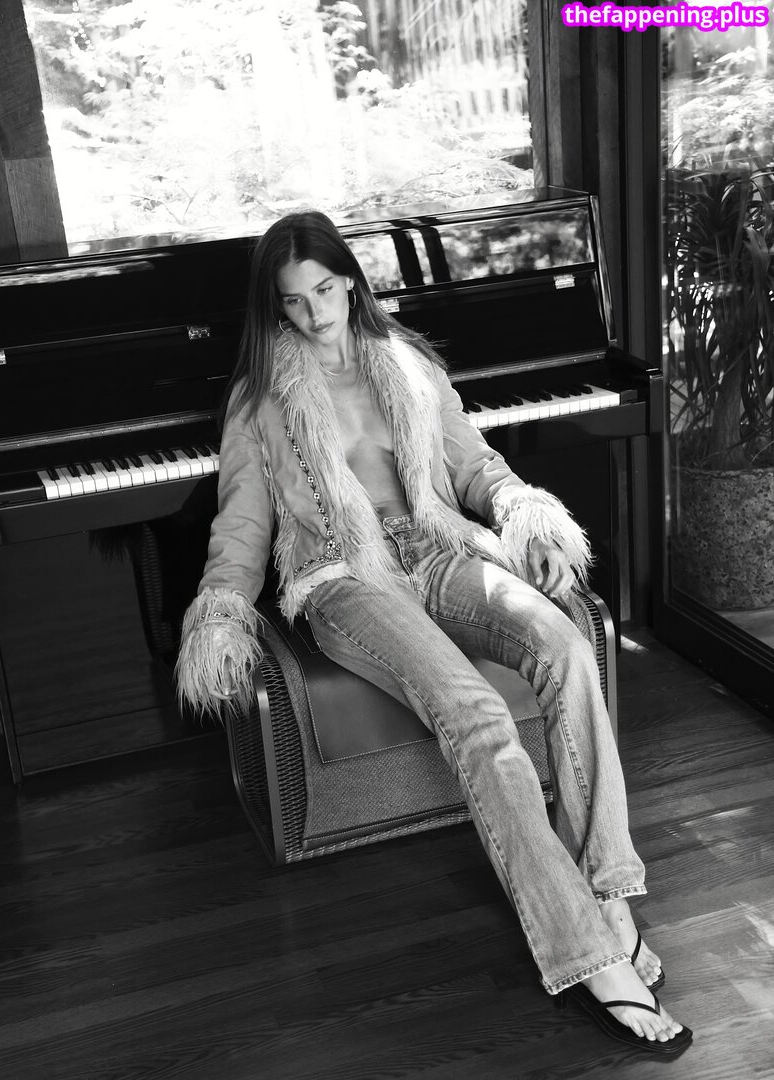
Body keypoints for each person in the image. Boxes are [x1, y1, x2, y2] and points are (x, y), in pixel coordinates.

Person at [176, 210, 692, 1056]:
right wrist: (222, 612)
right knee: (476, 713)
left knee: (565, 646)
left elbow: (472, 465)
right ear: (275, 307)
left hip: (439, 549)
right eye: (293, 302)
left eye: (325, 290)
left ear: (351, 282)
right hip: (344, 577)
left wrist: (522, 510)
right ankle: (588, 956)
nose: (314, 314)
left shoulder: (408, 365)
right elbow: (240, 527)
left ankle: (609, 894)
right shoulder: (259, 401)